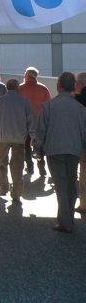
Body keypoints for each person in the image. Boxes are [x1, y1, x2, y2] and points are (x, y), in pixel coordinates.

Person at [33, 72, 86, 233]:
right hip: (75, 149)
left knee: (61, 185)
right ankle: (68, 216)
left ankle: (65, 221)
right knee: (71, 182)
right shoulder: (81, 109)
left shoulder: (49, 106)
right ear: (73, 87)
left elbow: (40, 130)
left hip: (54, 149)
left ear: (58, 86)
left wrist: (38, 149)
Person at [0, 79, 34, 201]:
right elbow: (31, 121)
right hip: (19, 138)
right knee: (17, 166)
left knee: (0, 163)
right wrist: (33, 137)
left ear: (7, 88)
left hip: (2, 137)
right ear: (18, 88)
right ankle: (16, 193)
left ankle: (3, 188)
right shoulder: (25, 102)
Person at [18, 67, 51, 176]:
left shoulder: (20, 88)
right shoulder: (43, 89)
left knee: (26, 146)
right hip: (40, 123)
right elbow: (49, 106)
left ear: (27, 75)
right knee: (40, 146)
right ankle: (42, 168)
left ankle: (30, 167)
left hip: (24, 123)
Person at [74, 72, 86, 215]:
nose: (74, 84)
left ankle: (84, 205)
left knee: (83, 175)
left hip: (83, 142)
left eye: (76, 82)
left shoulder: (78, 99)